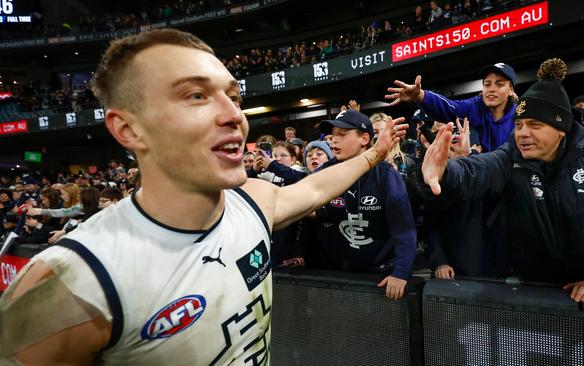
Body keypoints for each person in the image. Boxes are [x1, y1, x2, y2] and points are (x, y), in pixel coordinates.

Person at [0, 28, 406, 365]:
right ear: (128, 130)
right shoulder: (76, 279)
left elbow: (316, 187)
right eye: (195, 96)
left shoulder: (254, 201)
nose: (233, 115)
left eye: (234, 97)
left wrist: (374, 154)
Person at [420, 58, 584, 302]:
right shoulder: (513, 153)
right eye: (519, 124)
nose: (523, 133)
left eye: (534, 125)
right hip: (533, 287)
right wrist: (445, 172)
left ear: (560, 128)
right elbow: (481, 169)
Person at [316, 109, 417, 300]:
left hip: (382, 274)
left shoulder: (386, 175)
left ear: (364, 139)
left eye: (342, 134)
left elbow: (404, 230)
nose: (333, 140)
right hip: (341, 273)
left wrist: (401, 272)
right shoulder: (325, 172)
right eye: (332, 135)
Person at [386, 62, 518, 152]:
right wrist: (420, 95)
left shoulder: (521, 115)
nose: (491, 89)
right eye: (487, 84)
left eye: (499, 84)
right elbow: (450, 107)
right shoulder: (474, 105)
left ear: (511, 89)